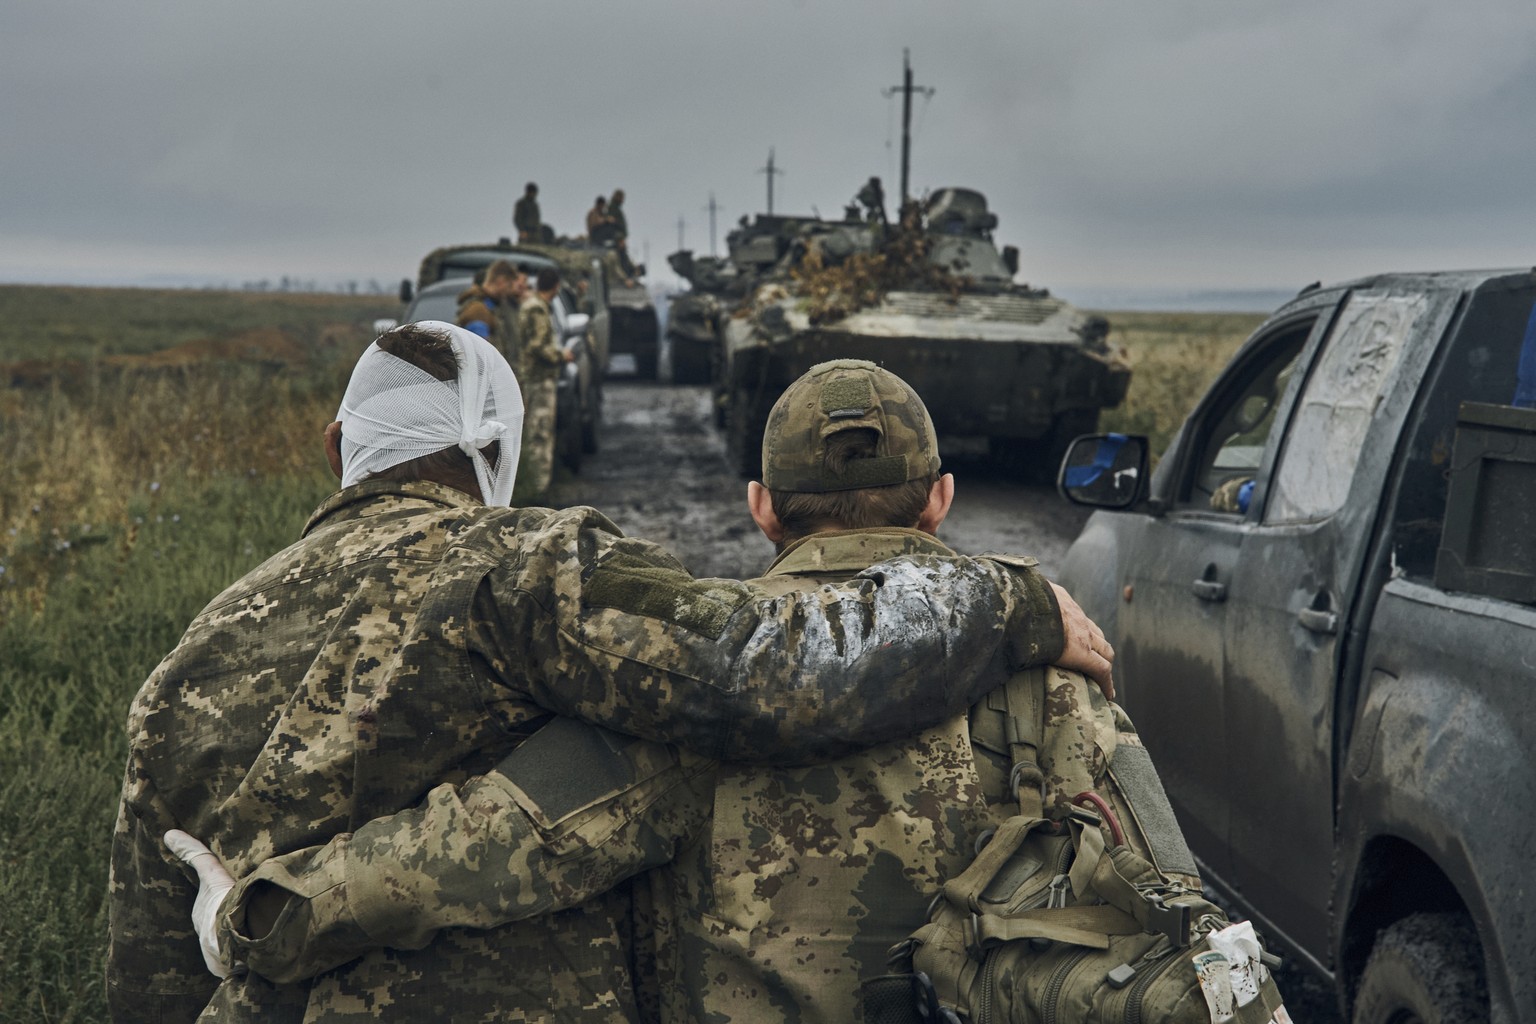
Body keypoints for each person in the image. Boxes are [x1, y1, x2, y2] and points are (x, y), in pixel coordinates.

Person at [109, 329, 1113, 1023]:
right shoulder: (535, 570)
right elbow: (746, 664)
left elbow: (147, 977)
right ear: (942, 495)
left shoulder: (175, 676)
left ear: (763, 506)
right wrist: (1006, 600)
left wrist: (265, 915)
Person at [514, 267, 570, 497]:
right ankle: (538, 490)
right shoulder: (537, 308)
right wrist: (560, 356)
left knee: (535, 432)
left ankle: (534, 486)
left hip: (533, 378)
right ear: (555, 286)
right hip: (539, 378)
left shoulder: (532, 305)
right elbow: (537, 346)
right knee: (540, 433)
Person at [455, 259, 524, 366]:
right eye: (509, 285)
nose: (509, 291)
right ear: (501, 281)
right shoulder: (478, 311)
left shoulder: (492, 309)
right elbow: (479, 358)